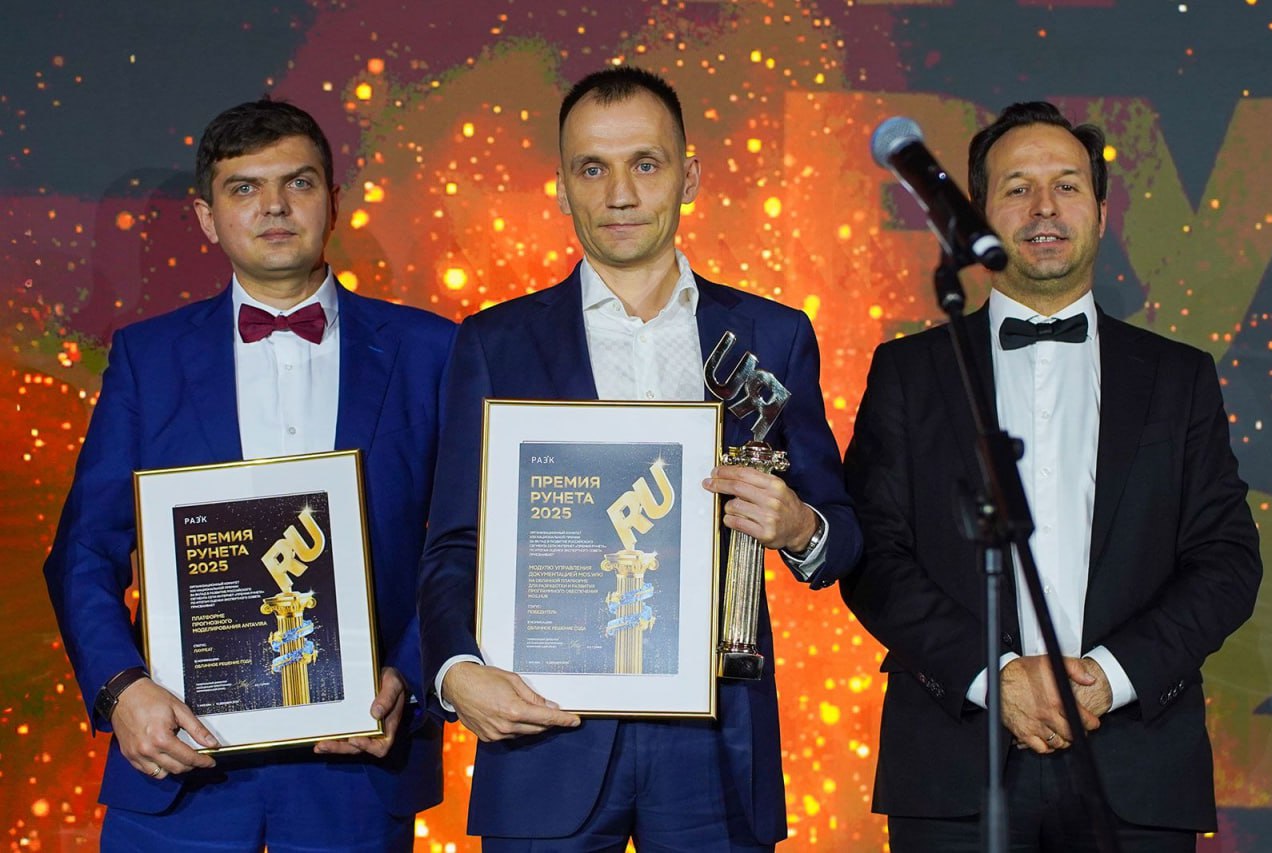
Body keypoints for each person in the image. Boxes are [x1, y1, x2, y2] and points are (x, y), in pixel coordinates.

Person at [417, 67, 861, 850]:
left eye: (645, 164)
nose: (619, 193)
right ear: (563, 187)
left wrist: (799, 526)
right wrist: (456, 671)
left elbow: (844, 535)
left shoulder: (773, 334)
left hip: (715, 740)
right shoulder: (493, 342)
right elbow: (455, 542)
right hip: (546, 727)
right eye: (592, 168)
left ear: (688, 177)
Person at [842, 100, 1262, 851]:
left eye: (1067, 185)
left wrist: (1108, 677)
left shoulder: (1179, 377)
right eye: (1018, 187)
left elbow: (1226, 562)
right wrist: (994, 676)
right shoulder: (909, 372)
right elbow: (872, 556)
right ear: (977, 212)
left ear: (1100, 211)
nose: (1044, 207)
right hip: (954, 767)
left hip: (1136, 766)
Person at [43, 98, 455, 851]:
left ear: (333, 200)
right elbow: (83, 551)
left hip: (358, 765)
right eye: (244, 188)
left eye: (298, 182)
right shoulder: (146, 358)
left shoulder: (432, 351)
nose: (274, 206)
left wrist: (410, 674)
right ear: (207, 217)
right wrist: (121, 689)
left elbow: (465, 544)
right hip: (179, 764)